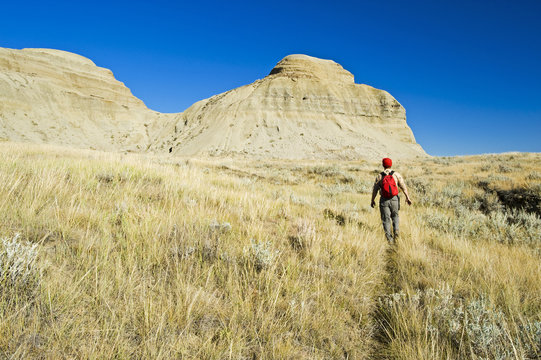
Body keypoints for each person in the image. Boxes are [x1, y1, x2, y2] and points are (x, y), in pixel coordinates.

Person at [370, 158, 412, 244]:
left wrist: (372, 200)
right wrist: (407, 197)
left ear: (383, 165)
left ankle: (389, 240)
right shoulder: (396, 174)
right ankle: (396, 231)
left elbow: (375, 190)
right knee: (395, 216)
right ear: (391, 164)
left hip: (384, 200)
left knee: (386, 219)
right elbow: (403, 186)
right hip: (394, 199)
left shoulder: (380, 176)